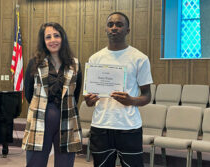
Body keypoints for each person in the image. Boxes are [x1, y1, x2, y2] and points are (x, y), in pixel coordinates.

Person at [84, 12, 153, 167]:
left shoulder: (139, 58)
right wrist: (89, 101)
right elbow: (88, 100)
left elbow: (147, 96)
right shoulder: (95, 59)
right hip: (101, 126)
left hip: (128, 127)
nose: (114, 28)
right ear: (106, 29)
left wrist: (130, 100)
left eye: (119, 24)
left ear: (127, 30)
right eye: (110, 25)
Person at [22, 22, 82, 167]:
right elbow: (29, 93)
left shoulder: (75, 64)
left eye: (56, 35)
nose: (53, 40)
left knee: (65, 164)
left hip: (67, 121)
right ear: (43, 41)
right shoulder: (34, 63)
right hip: (40, 122)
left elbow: (76, 93)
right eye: (48, 37)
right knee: (35, 163)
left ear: (63, 38)